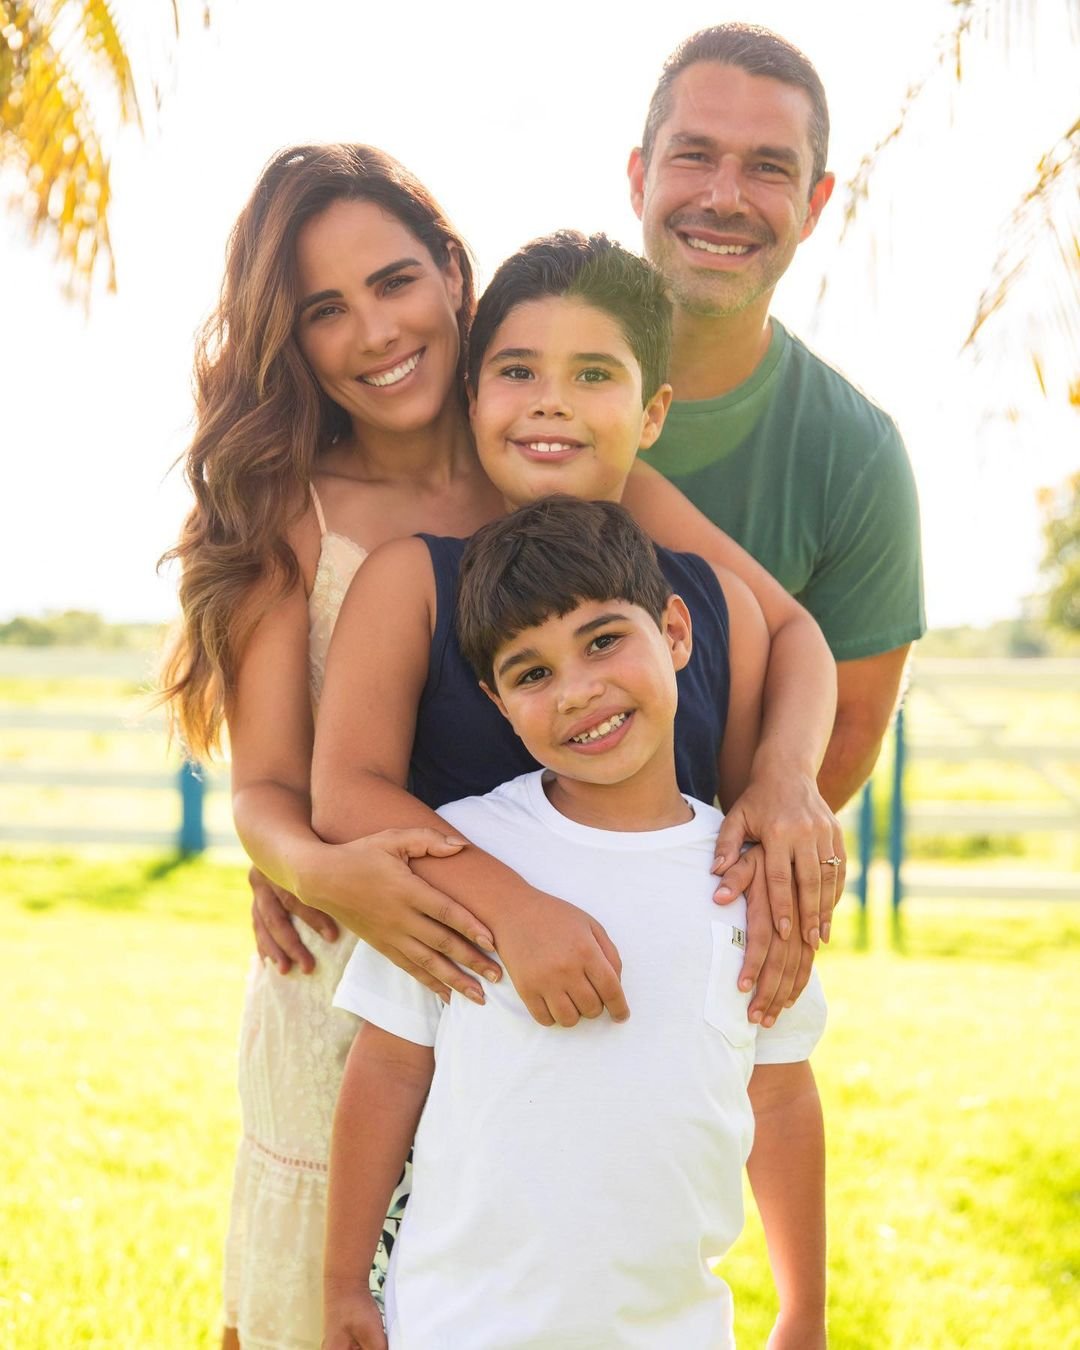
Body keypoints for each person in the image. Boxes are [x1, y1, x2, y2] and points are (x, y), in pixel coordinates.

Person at [160, 155, 836, 1349]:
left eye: (395, 281)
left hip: (575, 996)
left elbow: (787, 629)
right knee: (341, 1301)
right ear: (293, 336)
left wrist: (785, 781)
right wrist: (317, 869)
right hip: (379, 954)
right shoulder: (294, 508)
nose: (375, 329)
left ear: (452, 277)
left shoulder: (564, 464)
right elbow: (276, 793)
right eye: (325, 309)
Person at [323, 496, 828, 1350]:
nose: (579, 691)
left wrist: (802, 1311)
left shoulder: (749, 878)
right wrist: (341, 1285)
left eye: (603, 642)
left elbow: (779, 1099)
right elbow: (386, 1073)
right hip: (454, 1324)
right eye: (532, 673)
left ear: (675, 632)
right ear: (497, 701)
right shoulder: (463, 854)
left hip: (673, 1331)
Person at [627, 22, 926, 814]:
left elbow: (853, 728)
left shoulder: (856, 454)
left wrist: (706, 891)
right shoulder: (503, 375)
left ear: (814, 203)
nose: (724, 198)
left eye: (768, 168)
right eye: (694, 155)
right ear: (638, 178)